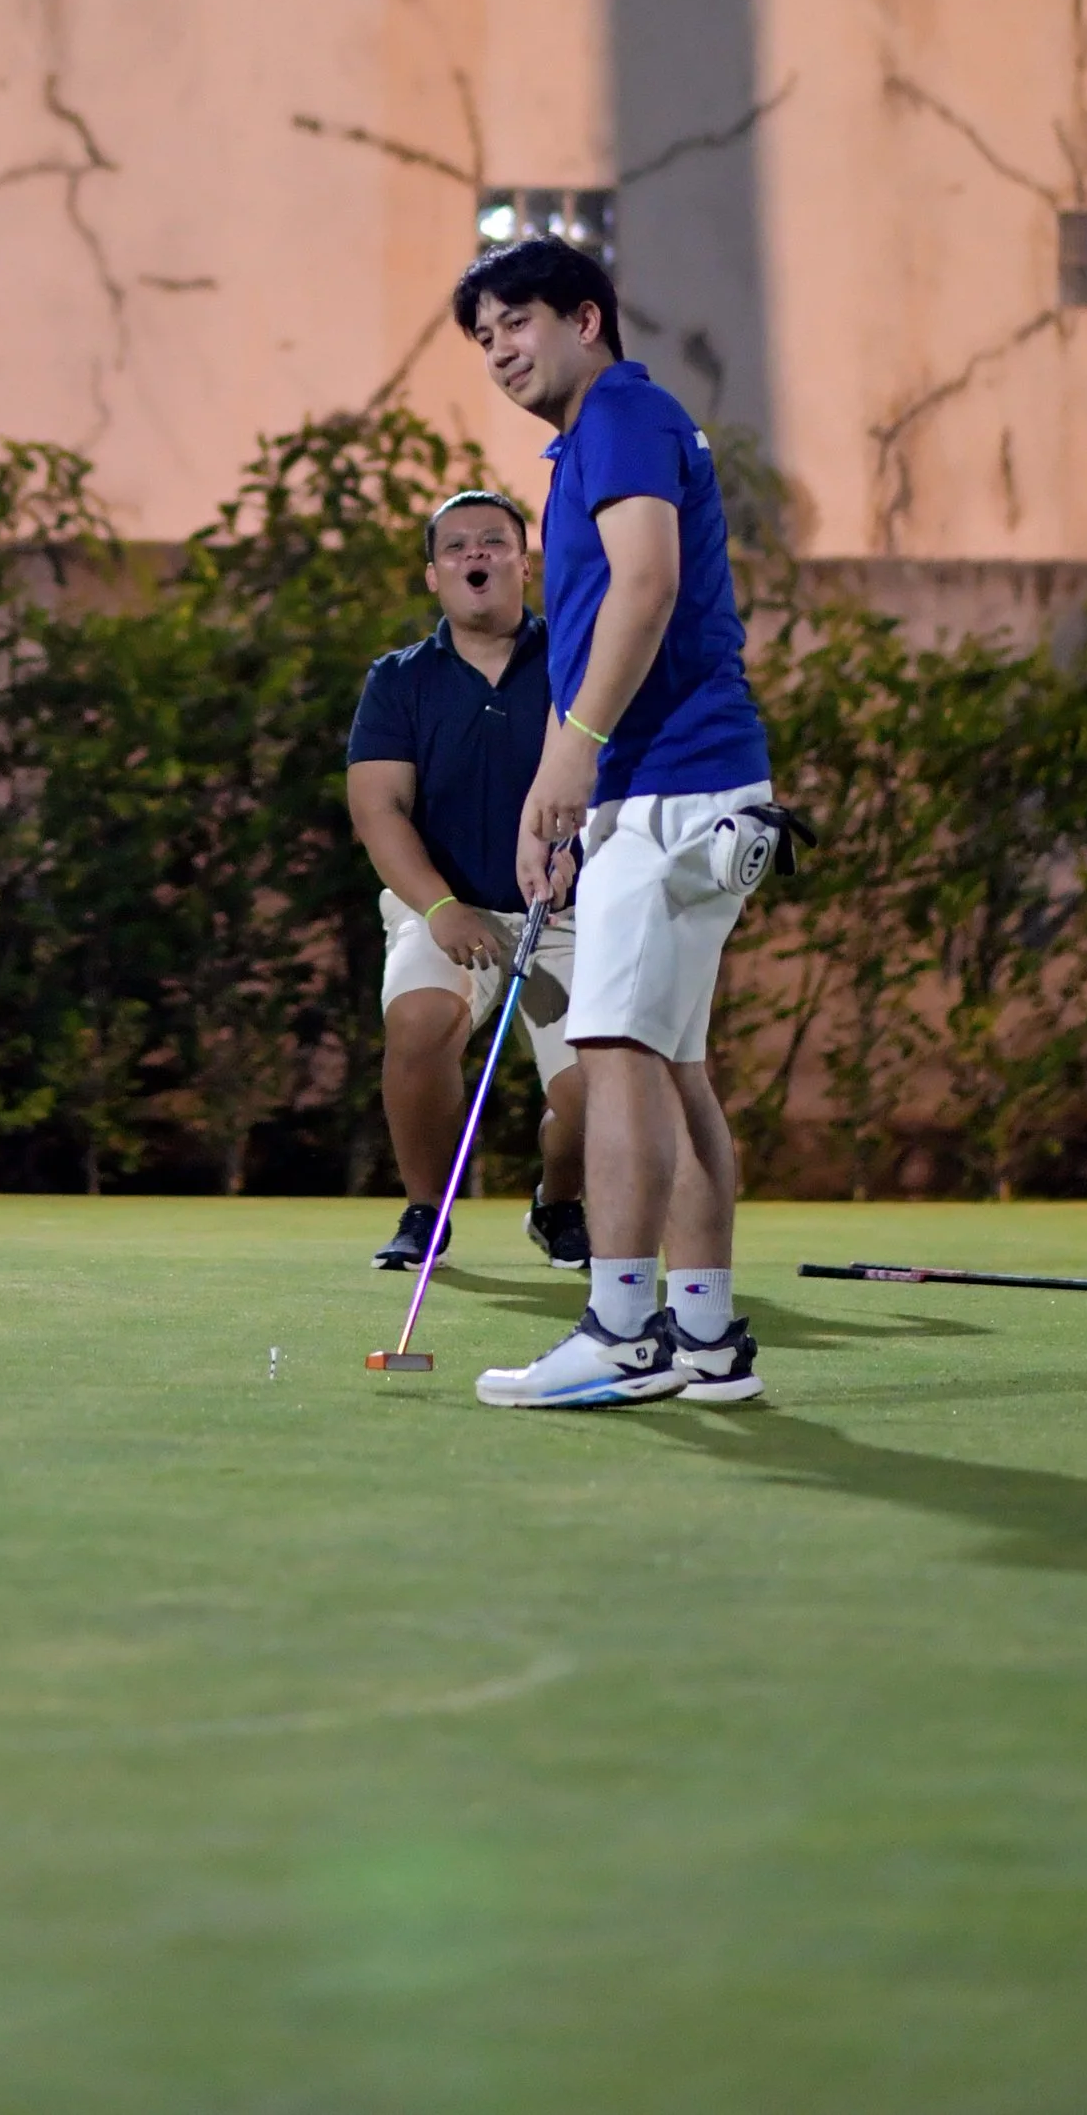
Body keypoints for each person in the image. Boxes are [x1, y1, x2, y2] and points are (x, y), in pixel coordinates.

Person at [450, 239, 776, 1409]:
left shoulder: (625, 416)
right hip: (680, 788)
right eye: (482, 338)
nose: (498, 351)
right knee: (670, 1063)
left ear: (585, 318)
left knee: (616, 1053)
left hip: (671, 785)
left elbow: (643, 585)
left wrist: (569, 760)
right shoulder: (597, 435)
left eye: (514, 323)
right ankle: (703, 1337)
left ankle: (621, 1332)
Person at [346, 488, 588, 1278]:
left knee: (593, 1095)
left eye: (492, 541)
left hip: (568, 911)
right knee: (419, 1024)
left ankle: (559, 1203)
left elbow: (615, 781)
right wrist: (441, 907)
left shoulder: (577, 661)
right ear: (433, 575)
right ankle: (427, 1209)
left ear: (525, 562)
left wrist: (584, 850)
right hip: (446, 904)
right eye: (456, 546)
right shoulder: (399, 681)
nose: (475, 555)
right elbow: (379, 810)